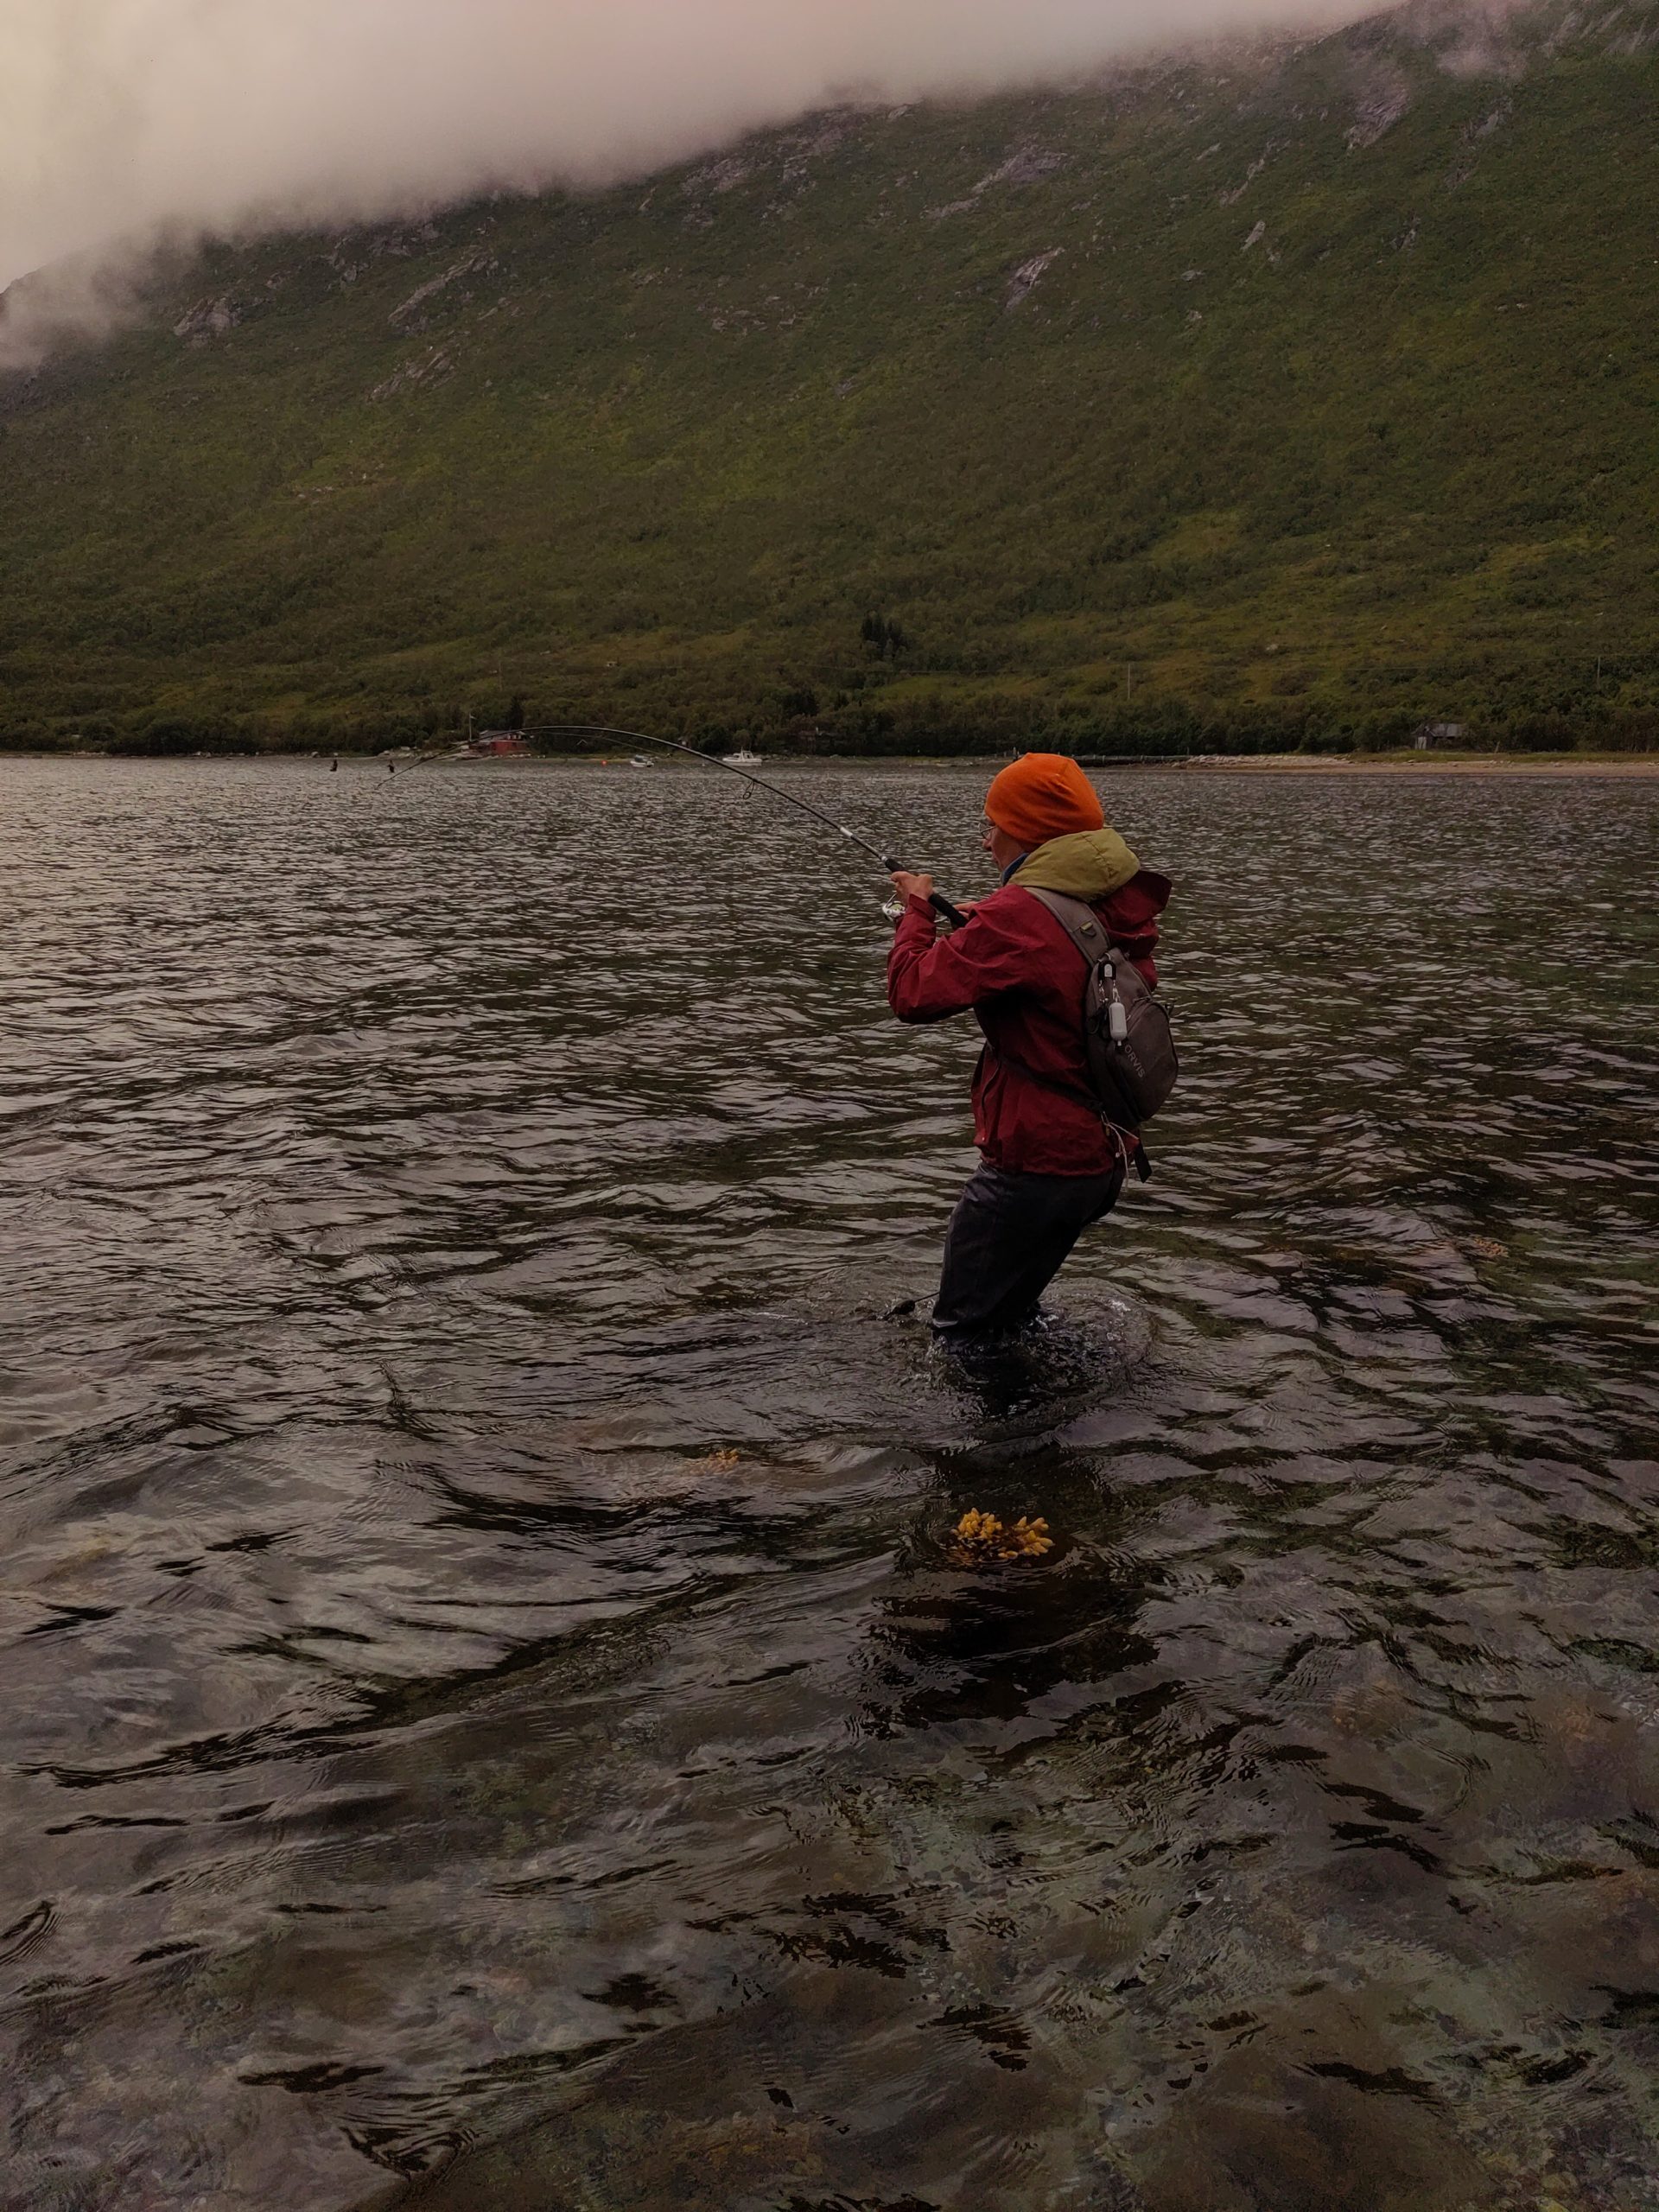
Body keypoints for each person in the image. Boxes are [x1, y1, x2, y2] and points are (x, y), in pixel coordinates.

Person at [887, 753, 1171, 1343]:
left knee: (963, 1337)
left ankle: (994, 1434)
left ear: (1030, 830)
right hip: (1102, 1158)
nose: (986, 838)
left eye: (992, 823)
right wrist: (981, 925)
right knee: (1010, 1318)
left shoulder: (1017, 916)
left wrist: (916, 914)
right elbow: (1054, 959)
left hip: (1035, 1169)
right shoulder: (1113, 894)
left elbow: (912, 994)